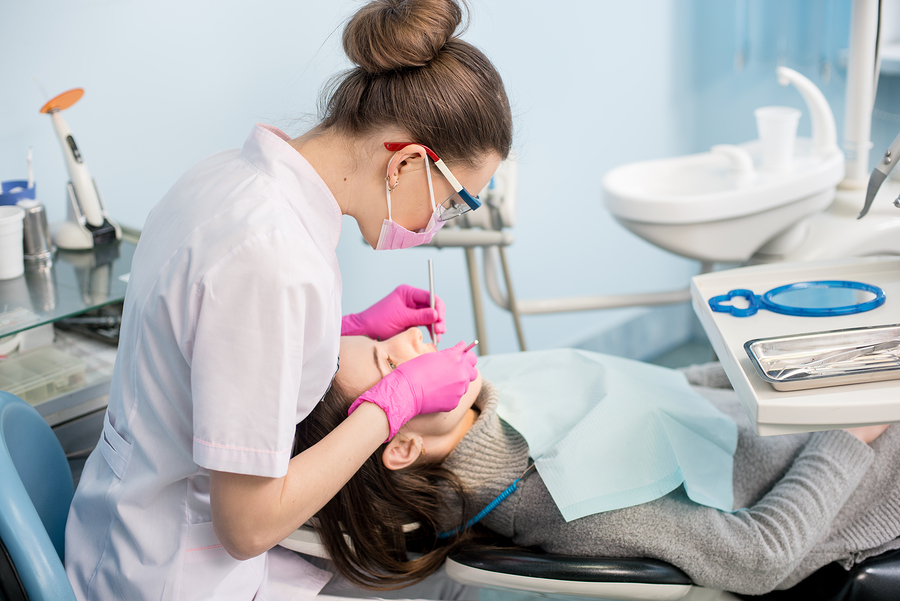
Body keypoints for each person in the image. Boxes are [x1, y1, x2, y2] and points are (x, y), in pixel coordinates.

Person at [64, 1, 512, 599]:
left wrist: (342, 327)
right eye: (454, 201)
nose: (442, 221)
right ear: (406, 161)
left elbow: (215, 347)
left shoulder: (228, 177)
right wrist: (390, 404)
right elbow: (248, 527)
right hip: (168, 573)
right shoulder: (273, 259)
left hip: (122, 520)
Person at [293, 328, 900, 596]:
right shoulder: (561, 500)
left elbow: (663, 387)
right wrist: (849, 431)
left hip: (808, 411)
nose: (409, 341)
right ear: (400, 446)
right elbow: (761, 556)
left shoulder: (495, 394)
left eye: (380, 336)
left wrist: (788, 373)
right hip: (871, 473)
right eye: (388, 363)